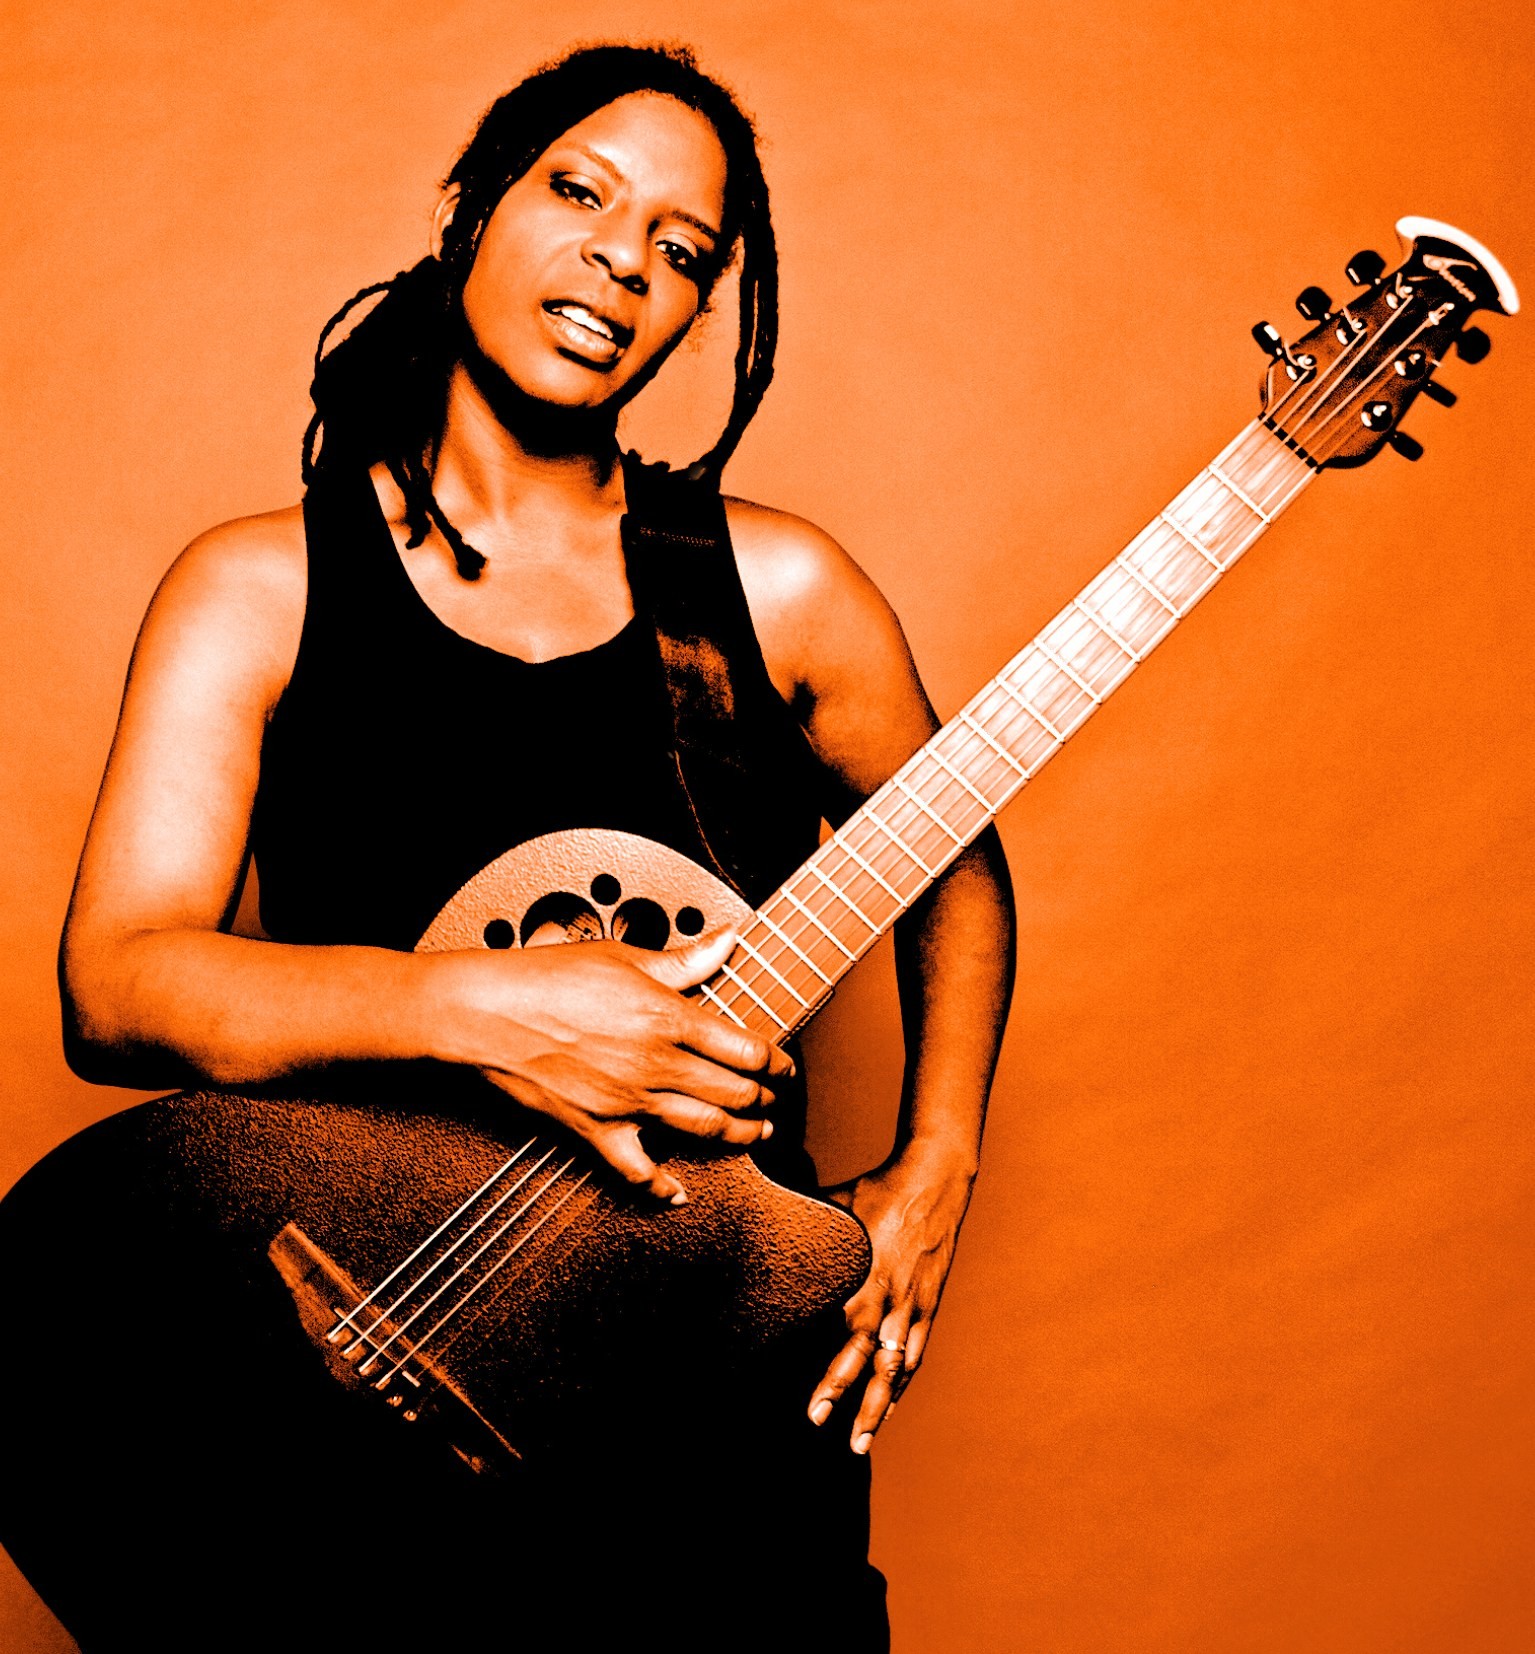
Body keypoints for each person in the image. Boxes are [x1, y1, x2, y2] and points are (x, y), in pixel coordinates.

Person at [56, 42, 1015, 1651]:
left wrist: (938, 1168)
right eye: (581, 192)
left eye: (681, 249)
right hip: (383, 1378)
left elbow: (954, 856)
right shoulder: (259, 590)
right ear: (472, 208)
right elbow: (118, 983)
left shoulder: (781, 592)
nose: (624, 258)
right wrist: (487, 1011)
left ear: (696, 314)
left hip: (719, 1416)